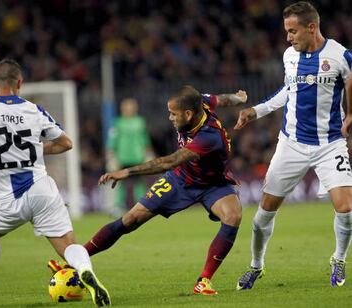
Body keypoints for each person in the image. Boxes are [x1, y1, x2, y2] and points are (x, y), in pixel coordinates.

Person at [0, 59, 110, 307]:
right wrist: (35, 150)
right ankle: (85, 270)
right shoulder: (35, 110)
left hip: (4, 200)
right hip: (42, 190)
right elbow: (66, 144)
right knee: (68, 244)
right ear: (20, 83)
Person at [48, 86, 247, 295]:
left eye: (173, 114)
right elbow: (221, 99)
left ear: (188, 114)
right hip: (180, 179)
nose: (170, 118)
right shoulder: (201, 102)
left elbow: (169, 161)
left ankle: (204, 280)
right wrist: (238, 98)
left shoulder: (209, 136)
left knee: (233, 216)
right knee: (130, 220)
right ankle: (73, 263)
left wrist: (127, 172)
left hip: (213, 184)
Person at [234, 1, 352, 290]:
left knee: (347, 208)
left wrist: (350, 114)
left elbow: (351, 83)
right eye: (287, 31)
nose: (288, 37)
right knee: (264, 211)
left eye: (292, 31)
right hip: (292, 144)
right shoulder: (290, 56)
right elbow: (288, 89)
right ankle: (256, 265)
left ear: (311, 27)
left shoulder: (340, 56)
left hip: (330, 144)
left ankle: (338, 259)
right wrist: (257, 110)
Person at [106, 98, 153, 215]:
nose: (129, 109)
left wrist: (148, 153)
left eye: (131, 106)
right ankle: (118, 206)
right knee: (119, 181)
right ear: (122, 108)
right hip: (122, 157)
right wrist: (111, 157)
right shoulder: (117, 123)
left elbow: (145, 139)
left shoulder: (140, 121)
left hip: (138, 157)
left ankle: (141, 206)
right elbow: (112, 140)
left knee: (140, 182)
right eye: (127, 107)